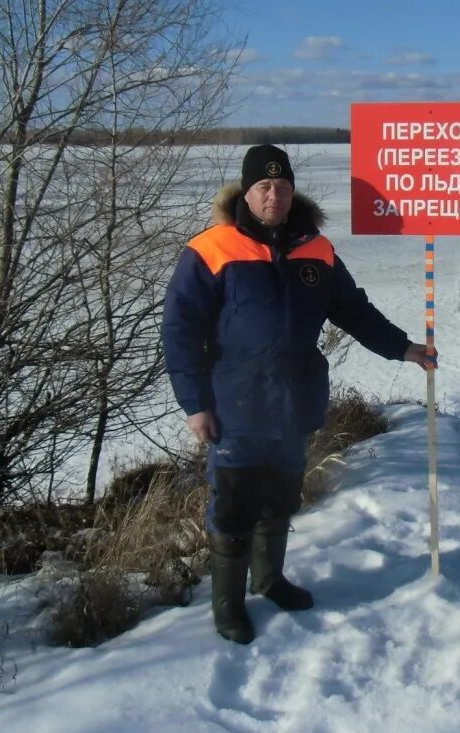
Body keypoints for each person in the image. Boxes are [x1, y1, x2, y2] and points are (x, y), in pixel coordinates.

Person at [162, 144, 433, 645]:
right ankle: (228, 604)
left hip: (294, 401)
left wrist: (404, 348)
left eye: (282, 186)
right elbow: (180, 328)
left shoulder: (317, 249)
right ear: (247, 191)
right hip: (234, 401)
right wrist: (194, 402)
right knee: (235, 502)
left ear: (292, 192)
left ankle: (269, 579)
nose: (274, 195)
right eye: (264, 187)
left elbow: (354, 310)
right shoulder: (212, 248)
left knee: (282, 494)